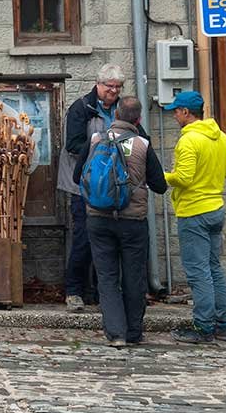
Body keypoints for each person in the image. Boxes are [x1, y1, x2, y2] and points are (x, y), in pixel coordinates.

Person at [71, 97, 167, 347]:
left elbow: (76, 176)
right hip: (133, 221)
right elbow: (159, 185)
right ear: (138, 120)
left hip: (98, 219)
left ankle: (116, 333)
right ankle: (134, 331)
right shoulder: (142, 144)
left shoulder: (95, 140)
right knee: (134, 276)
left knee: (107, 276)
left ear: (115, 116)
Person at [162, 90, 226, 344]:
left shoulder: (189, 141)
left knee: (198, 272)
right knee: (215, 268)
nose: (174, 116)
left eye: (176, 111)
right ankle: (223, 325)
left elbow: (183, 177)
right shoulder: (223, 138)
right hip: (216, 208)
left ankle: (203, 327)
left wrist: (162, 177)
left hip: (193, 211)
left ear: (186, 112)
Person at [58, 63, 125, 311]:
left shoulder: (121, 109)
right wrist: (104, 149)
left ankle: (100, 292)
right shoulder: (81, 108)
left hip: (111, 186)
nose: (114, 92)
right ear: (98, 84)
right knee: (83, 238)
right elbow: (73, 145)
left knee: (108, 239)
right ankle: (74, 290)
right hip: (83, 185)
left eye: (118, 88)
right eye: (110, 87)